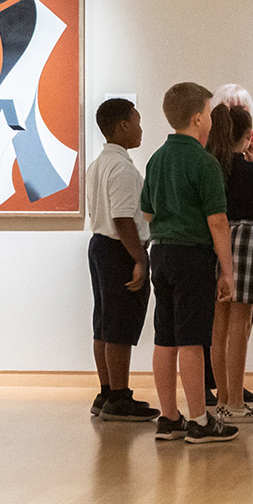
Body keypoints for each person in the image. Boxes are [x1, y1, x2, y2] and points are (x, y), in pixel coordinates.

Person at [140, 83, 239, 444]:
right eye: (210, 112)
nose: (211, 119)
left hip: (161, 253)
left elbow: (147, 211)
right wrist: (227, 270)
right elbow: (217, 221)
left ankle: (169, 417)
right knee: (193, 340)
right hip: (193, 255)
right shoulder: (204, 162)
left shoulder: (157, 159)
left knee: (165, 337)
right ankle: (199, 419)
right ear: (198, 118)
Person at [85, 98, 158, 422]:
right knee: (119, 325)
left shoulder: (98, 164)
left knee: (103, 322)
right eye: (137, 122)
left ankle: (106, 392)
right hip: (120, 249)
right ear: (124, 125)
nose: (141, 129)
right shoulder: (122, 168)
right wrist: (140, 258)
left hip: (101, 246)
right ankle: (119, 396)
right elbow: (123, 219)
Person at [206, 103, 253, 423]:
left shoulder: (213, 169)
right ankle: (236, 402)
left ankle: (222, 399)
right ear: (248, 135)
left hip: (217, 241)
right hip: (247, 239)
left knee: (218, 326)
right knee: (240, 326)